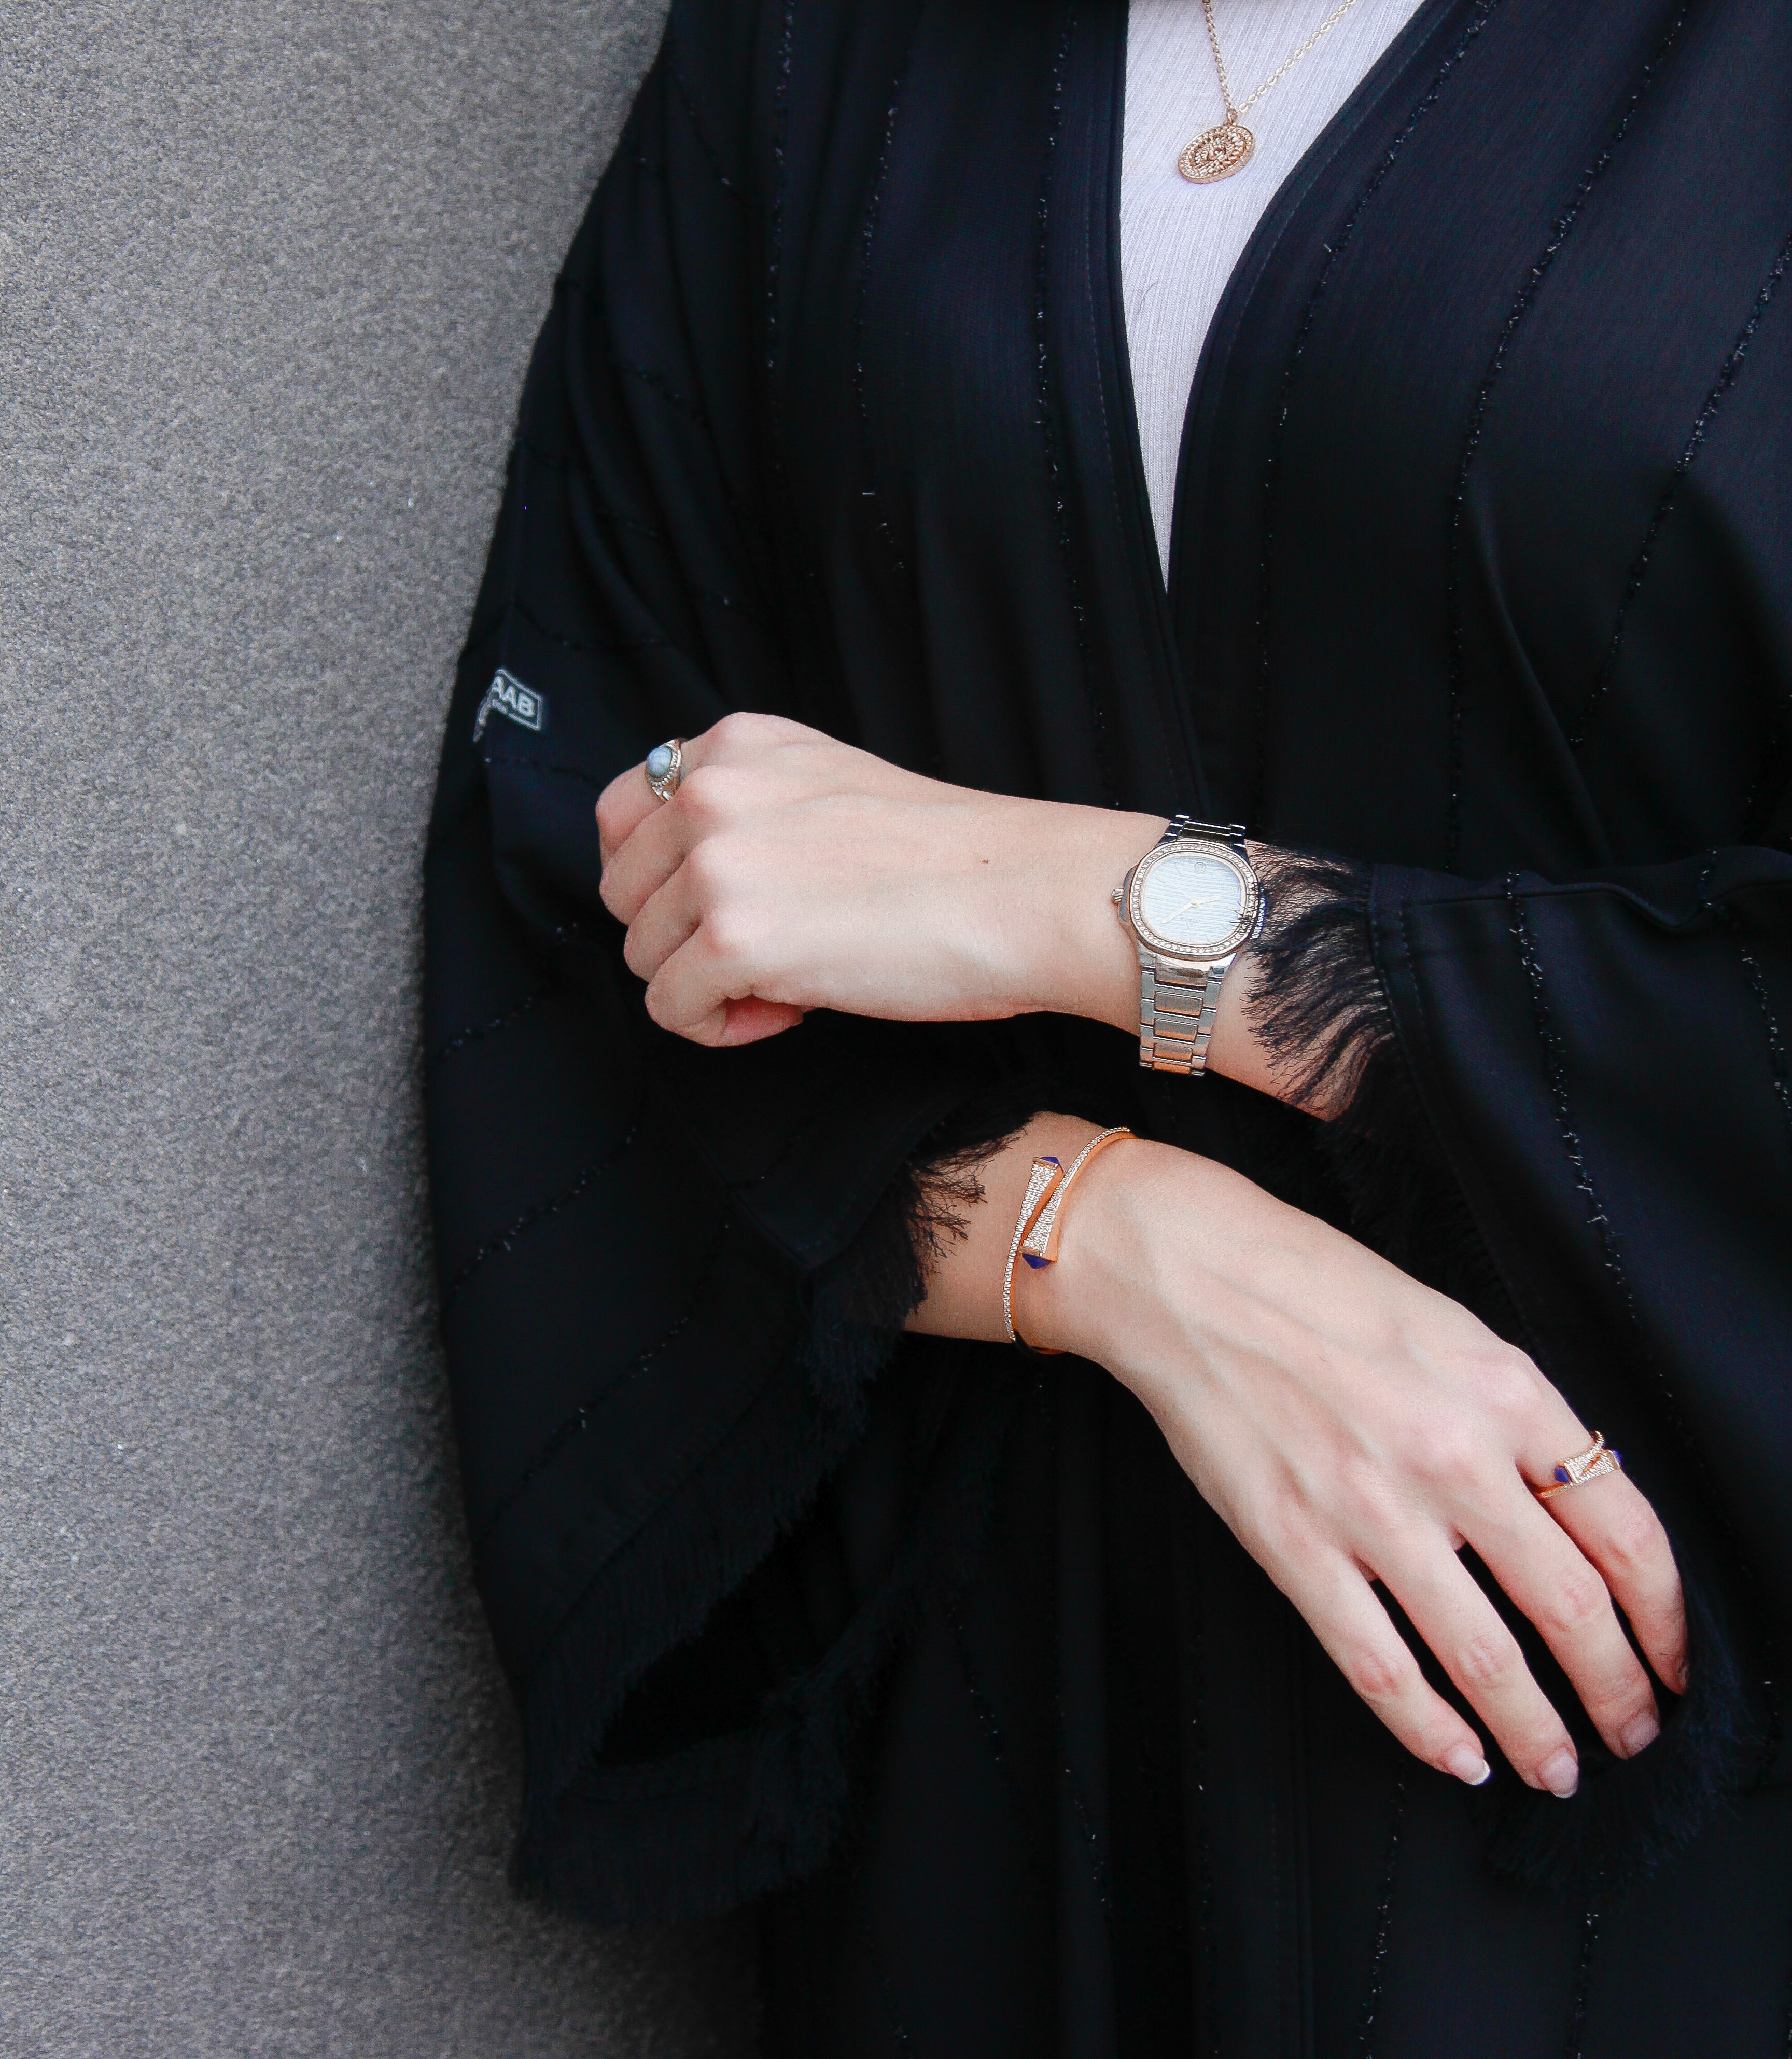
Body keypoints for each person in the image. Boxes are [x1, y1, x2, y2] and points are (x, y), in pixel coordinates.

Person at [422, 0, 1792, 2049]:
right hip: (1001, 1785)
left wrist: (1092, 907)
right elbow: (587, 883)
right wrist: (1116, 1243)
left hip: (1619, 1759)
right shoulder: (819, 58)